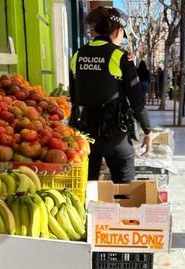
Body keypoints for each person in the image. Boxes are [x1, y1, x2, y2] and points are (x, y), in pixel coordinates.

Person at [69, 6, 153, 183]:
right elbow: (137, 100)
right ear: (119, 30)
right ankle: (121, 206)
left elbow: (74, 96)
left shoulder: (77, 55)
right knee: (123, 189)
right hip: (115, 136)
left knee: (87, 188)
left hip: (84, 134)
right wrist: (147, 131)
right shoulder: (120, 56)